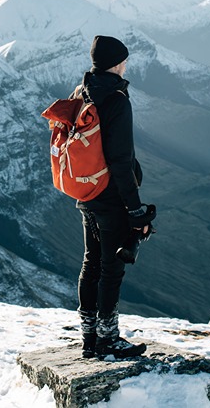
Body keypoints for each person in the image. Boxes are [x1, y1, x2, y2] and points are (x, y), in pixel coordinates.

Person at [74, 35, 155, 359]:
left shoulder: (82, 92)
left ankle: (89, 337)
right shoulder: (117, 99)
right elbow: (120, 162)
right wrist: (134, 209)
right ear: (119, 63)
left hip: (86, 192)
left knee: (91, 263)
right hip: (110, 197)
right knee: (112, 267)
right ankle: (108, 340)